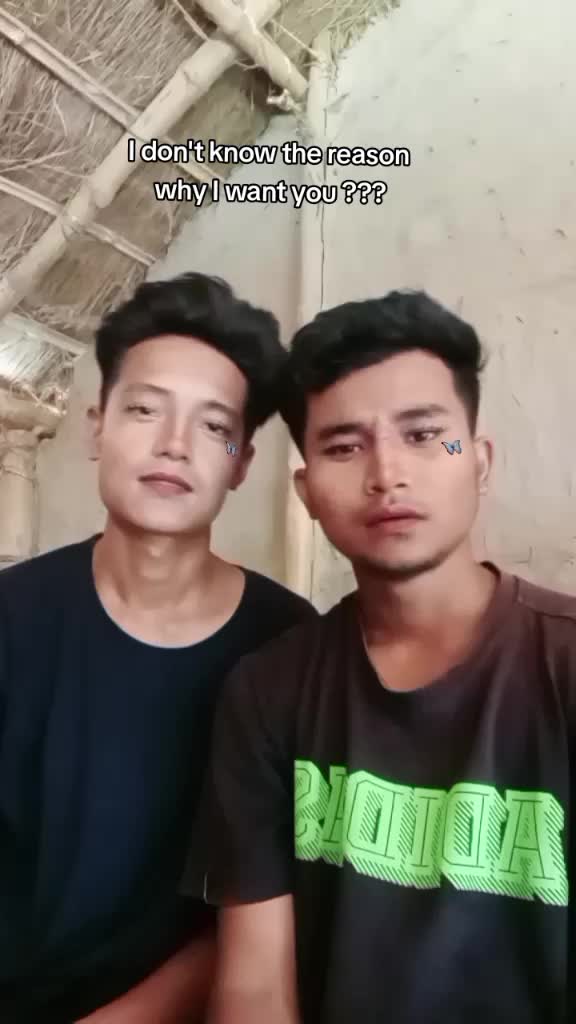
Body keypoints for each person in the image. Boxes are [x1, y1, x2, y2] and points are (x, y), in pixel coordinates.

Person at [185, 290, 576, 1024]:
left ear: (478, 461)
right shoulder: (269, 691)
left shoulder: (563, 663)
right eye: (343, 446)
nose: (387, 472)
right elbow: (256, 986)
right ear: (306, 491)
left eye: (427, 436)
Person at [0, 273, 316, 1023]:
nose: (174, 446)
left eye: (213, 427)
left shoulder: (290, 647)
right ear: (96, 428)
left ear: (241, 463)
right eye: (144, 410)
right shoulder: (12, 616)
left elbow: (265, 907)